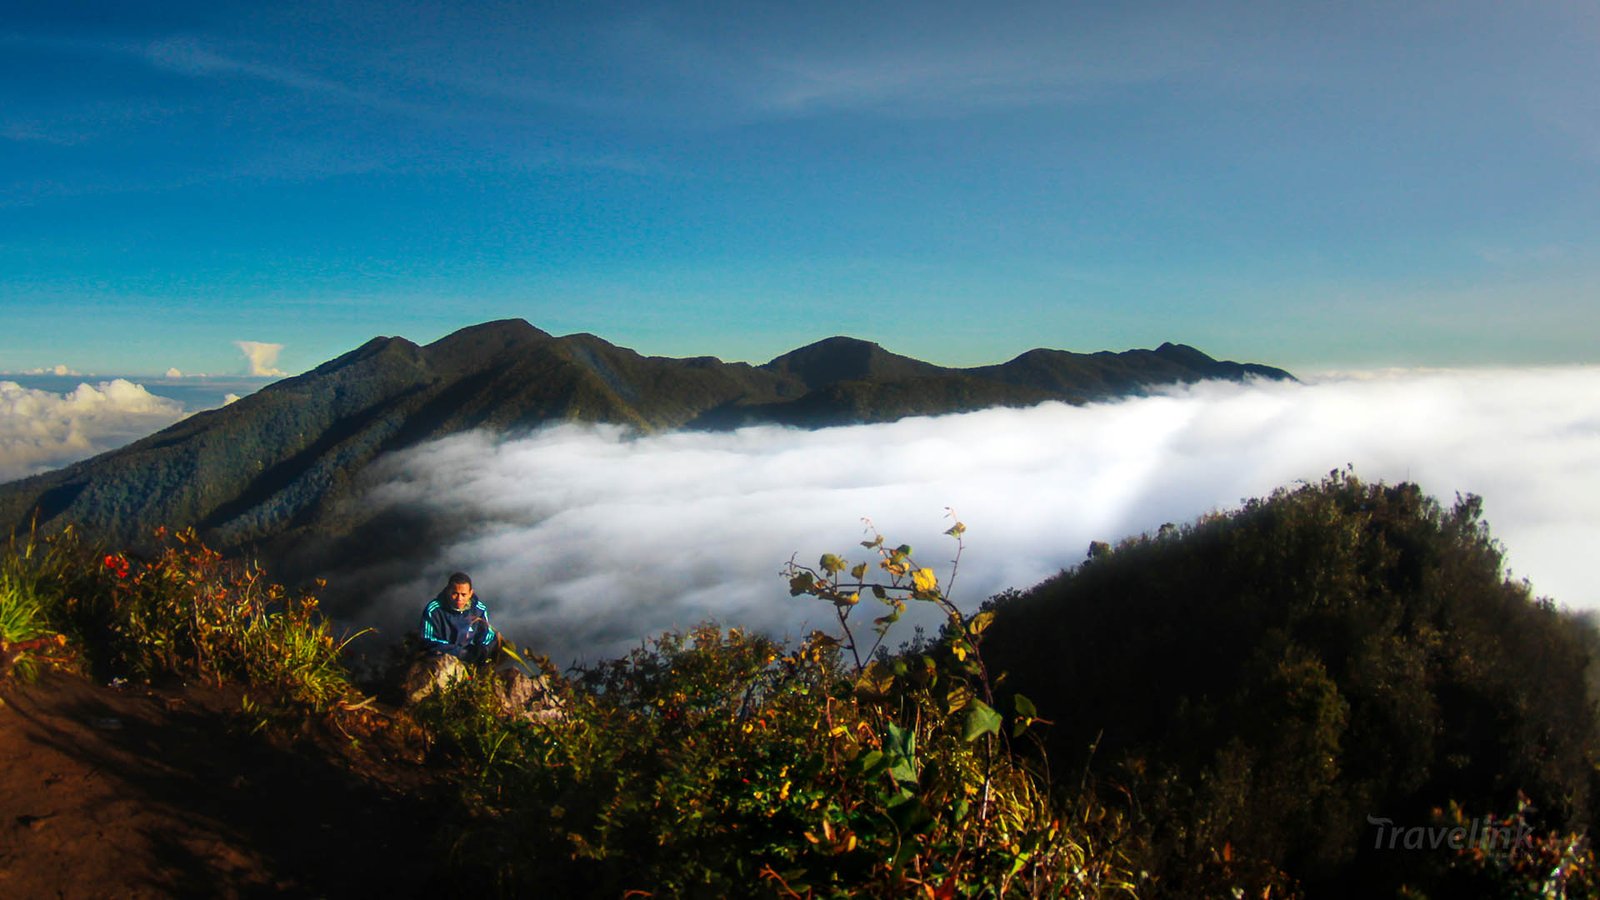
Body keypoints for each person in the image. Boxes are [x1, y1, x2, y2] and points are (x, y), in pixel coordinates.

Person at [420, 571, 499, 663]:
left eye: (463, 594)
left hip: (470, 660)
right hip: (442, 660)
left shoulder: (478, 609)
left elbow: (487, 635)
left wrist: (483, 649)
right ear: (448, 591)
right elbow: (428, 640)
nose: (459, 598)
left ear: (470, 593)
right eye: (455, 593)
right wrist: (459, 652)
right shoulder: (434, 610)